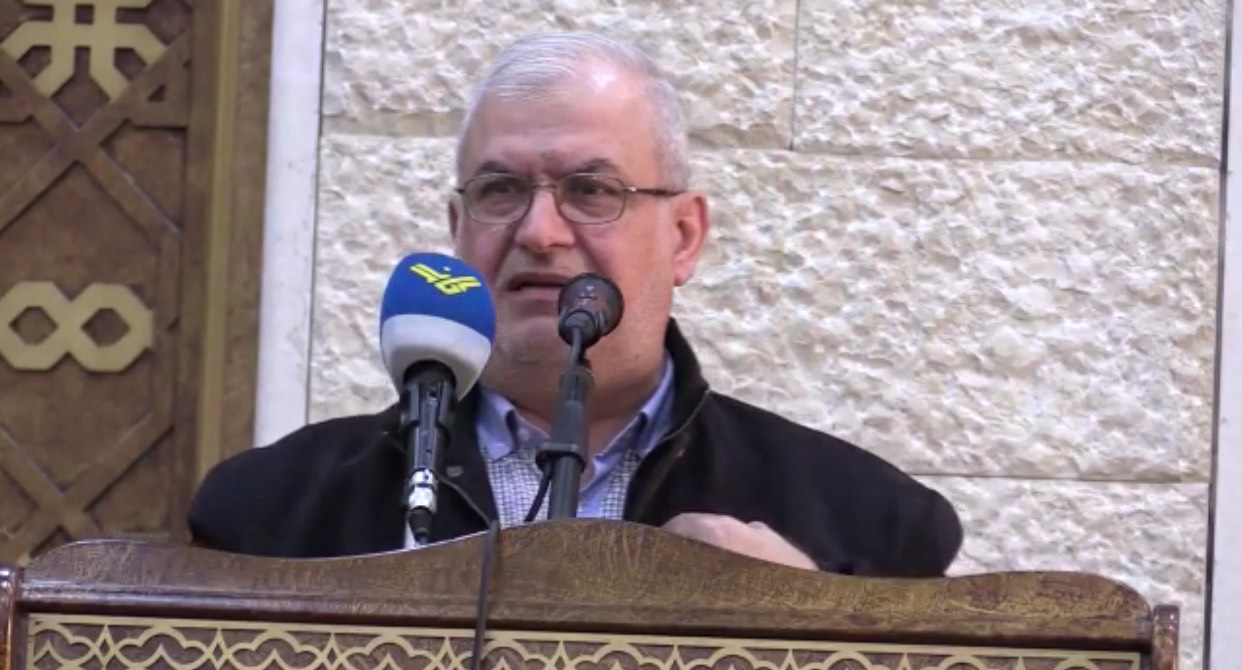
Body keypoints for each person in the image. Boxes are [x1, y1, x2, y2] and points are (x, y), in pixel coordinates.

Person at [188, 30, 963, 576]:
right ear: (458, 230)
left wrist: (810, 624)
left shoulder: (870, 526)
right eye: (500, 190)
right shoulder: (269, 517)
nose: (539, 231)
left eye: (591, 190)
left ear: (684, 237)